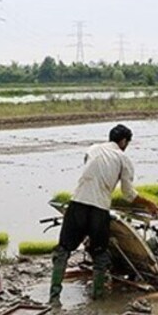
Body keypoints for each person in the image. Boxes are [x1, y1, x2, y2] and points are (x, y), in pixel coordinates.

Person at [49, 124, 139, 303]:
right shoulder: (123, 159)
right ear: (123, 141)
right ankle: (97, 297)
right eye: (127, 142)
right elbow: (128, 194)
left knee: (63, 251)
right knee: (100, 254)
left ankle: (54, 298)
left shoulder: (93, 149)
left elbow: (88, 168)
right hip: (99, 209)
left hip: (77, 204)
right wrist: (150, 204)